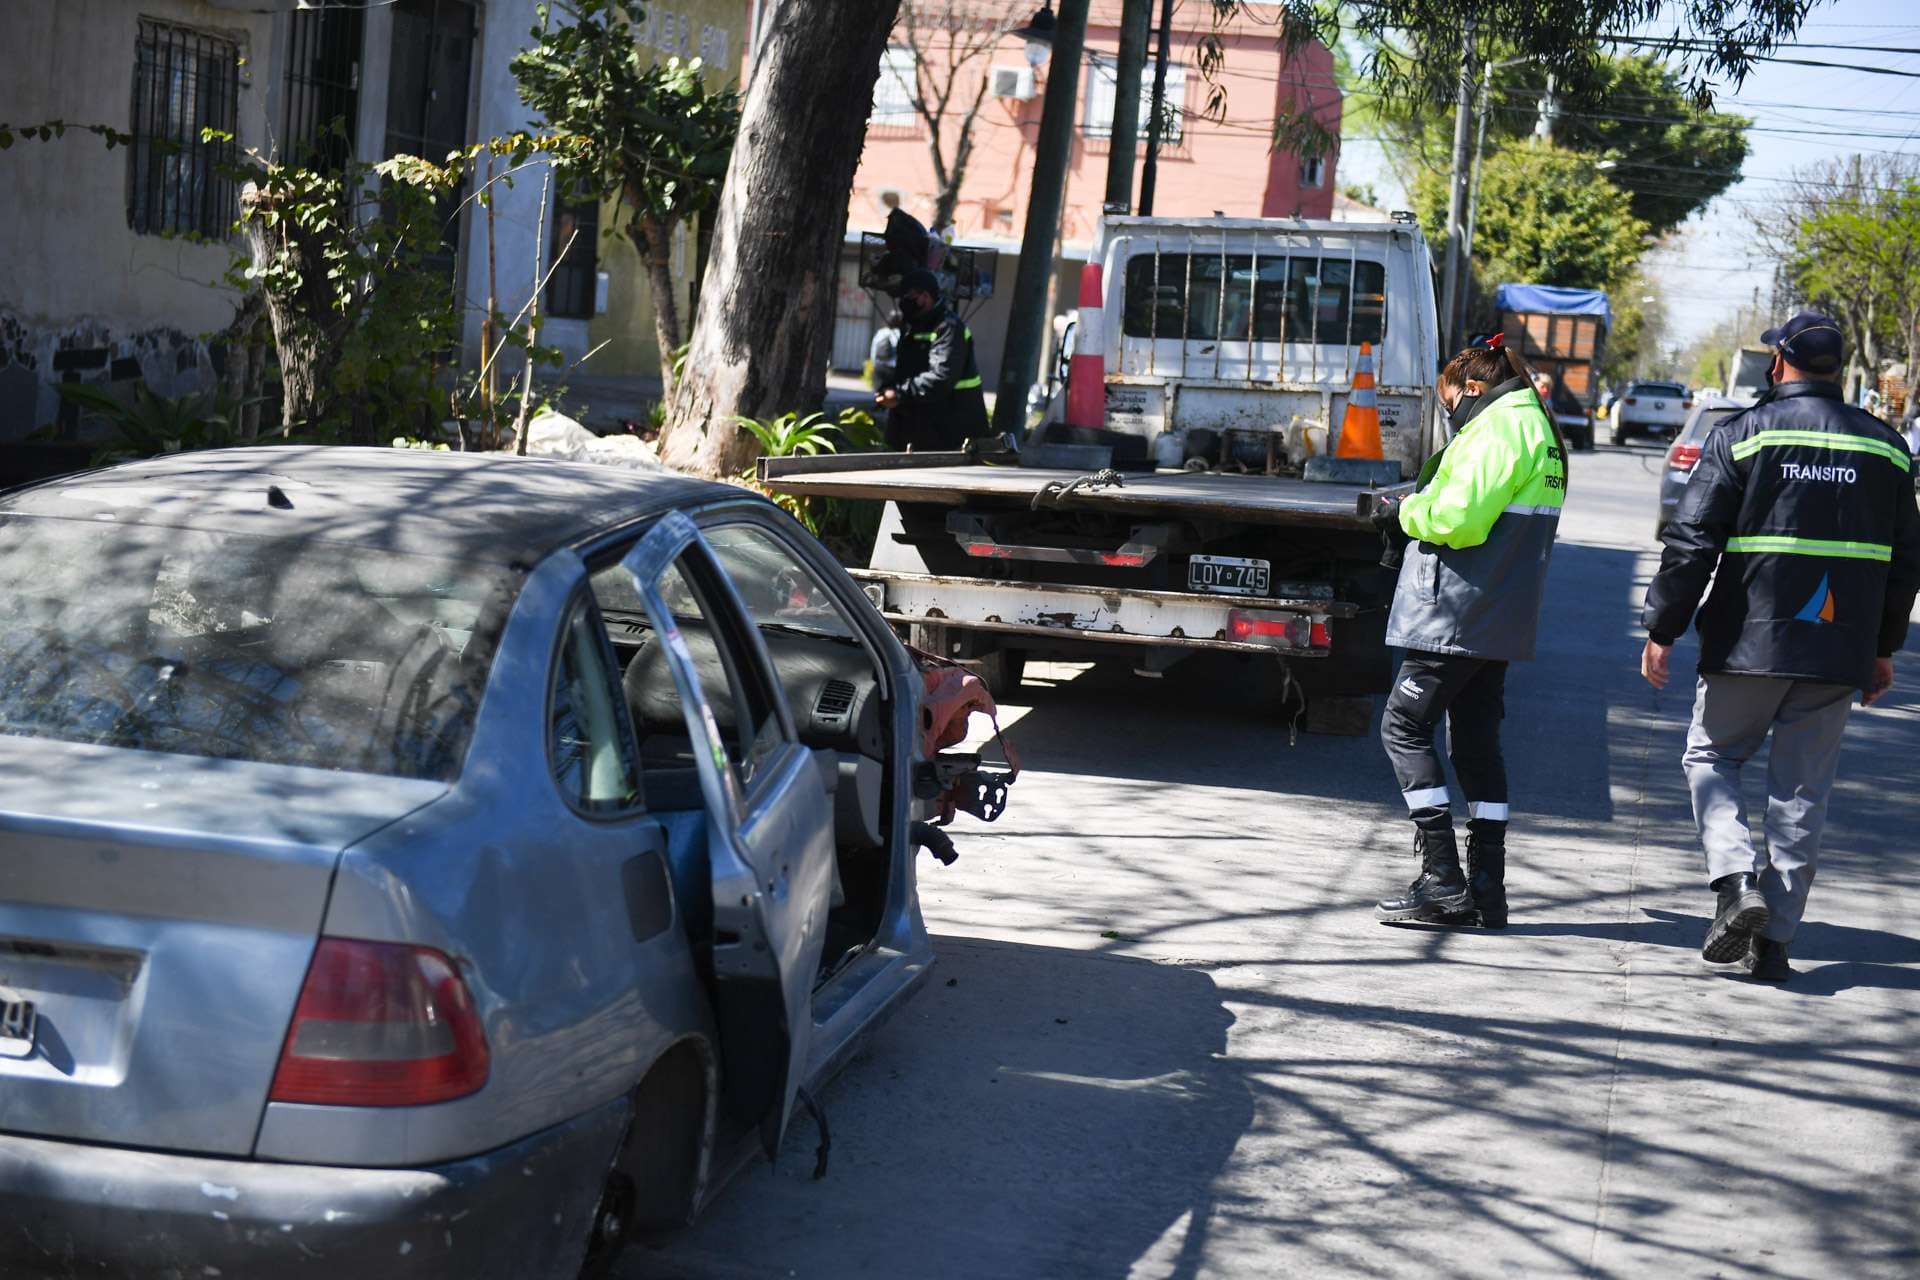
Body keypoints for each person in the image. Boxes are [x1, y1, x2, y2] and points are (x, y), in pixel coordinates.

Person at [1641, 312, 1920, 982]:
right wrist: (1883, 648)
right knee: (1802, 794)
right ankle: (1775, 946)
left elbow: (1691, 542)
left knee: (1711, 755)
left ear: (1778, 364)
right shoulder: (1886, 448)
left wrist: (1663, 627)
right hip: (1836, 651)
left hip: (1746, 644)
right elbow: (1906, 560)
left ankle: (1737, 884)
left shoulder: (1740, 436)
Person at [1371, 338, 1568, 927]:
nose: (1450, 413)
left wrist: (1402, 512)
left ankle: (1442, 879)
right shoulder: (1542, 430)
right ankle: (1487, 887)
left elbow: (1457, 518)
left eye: (1449, 401)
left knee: (1404, 726)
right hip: (1501, 614)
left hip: (1458, 611)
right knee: (1477, 744)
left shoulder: (1500, 430)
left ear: (1474, 389)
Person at [876, 268, 987, 452]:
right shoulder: (912, 326)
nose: (902, 302)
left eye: (907, 296)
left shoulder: (949, 328)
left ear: (925, 297)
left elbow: (941, 377)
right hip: (919, 429)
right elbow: (907, 371)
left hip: (952, 431)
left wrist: (899, 394)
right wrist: (890, 389)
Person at [869, 309, 903, 391]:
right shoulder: (899, 333)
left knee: (879, 395)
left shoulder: (881, 332)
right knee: (891, 396)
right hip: (892, 369)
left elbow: (873, 349)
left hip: (879, 367)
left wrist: (874, 365)